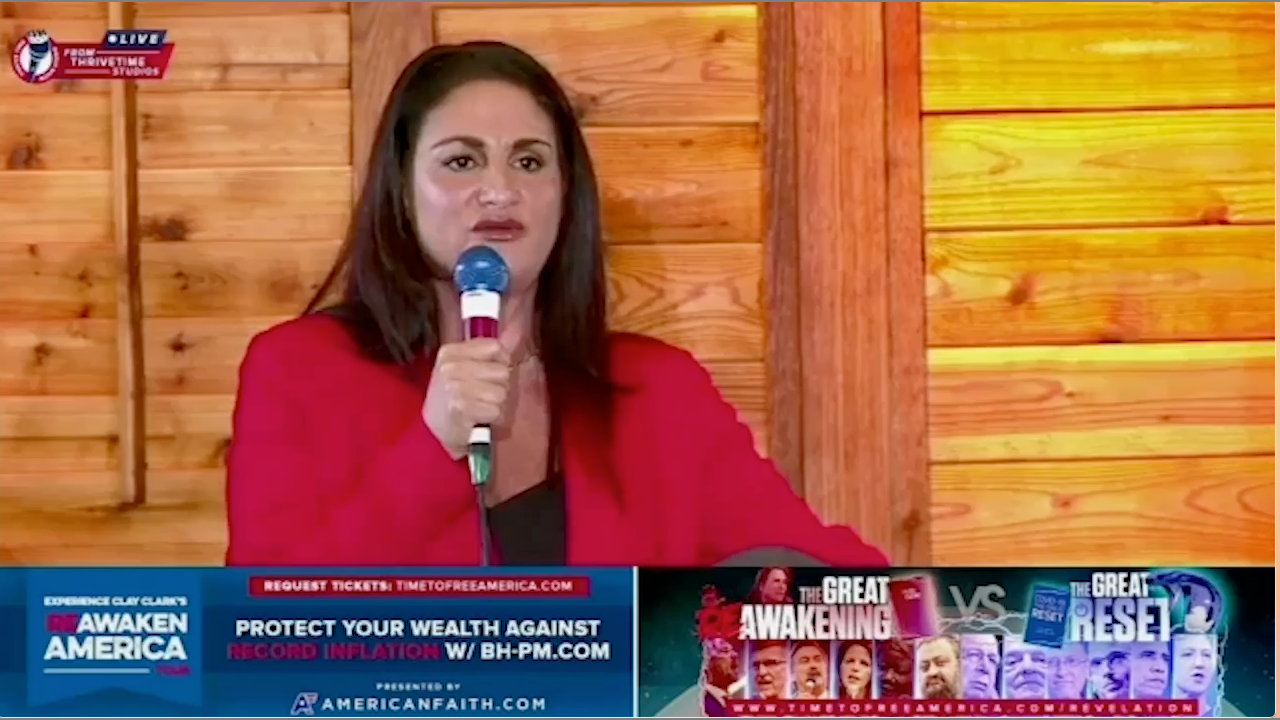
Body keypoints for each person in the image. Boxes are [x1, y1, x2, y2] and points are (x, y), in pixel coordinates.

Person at [220, 40, 890, 568]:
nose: (499, 190)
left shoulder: (659, 390)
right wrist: (432, 446)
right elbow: (258, 622)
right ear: (401, 190)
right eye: (462, 162)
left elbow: (824, 576)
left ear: (566, 196)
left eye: (529, 162)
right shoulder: (297, 369)